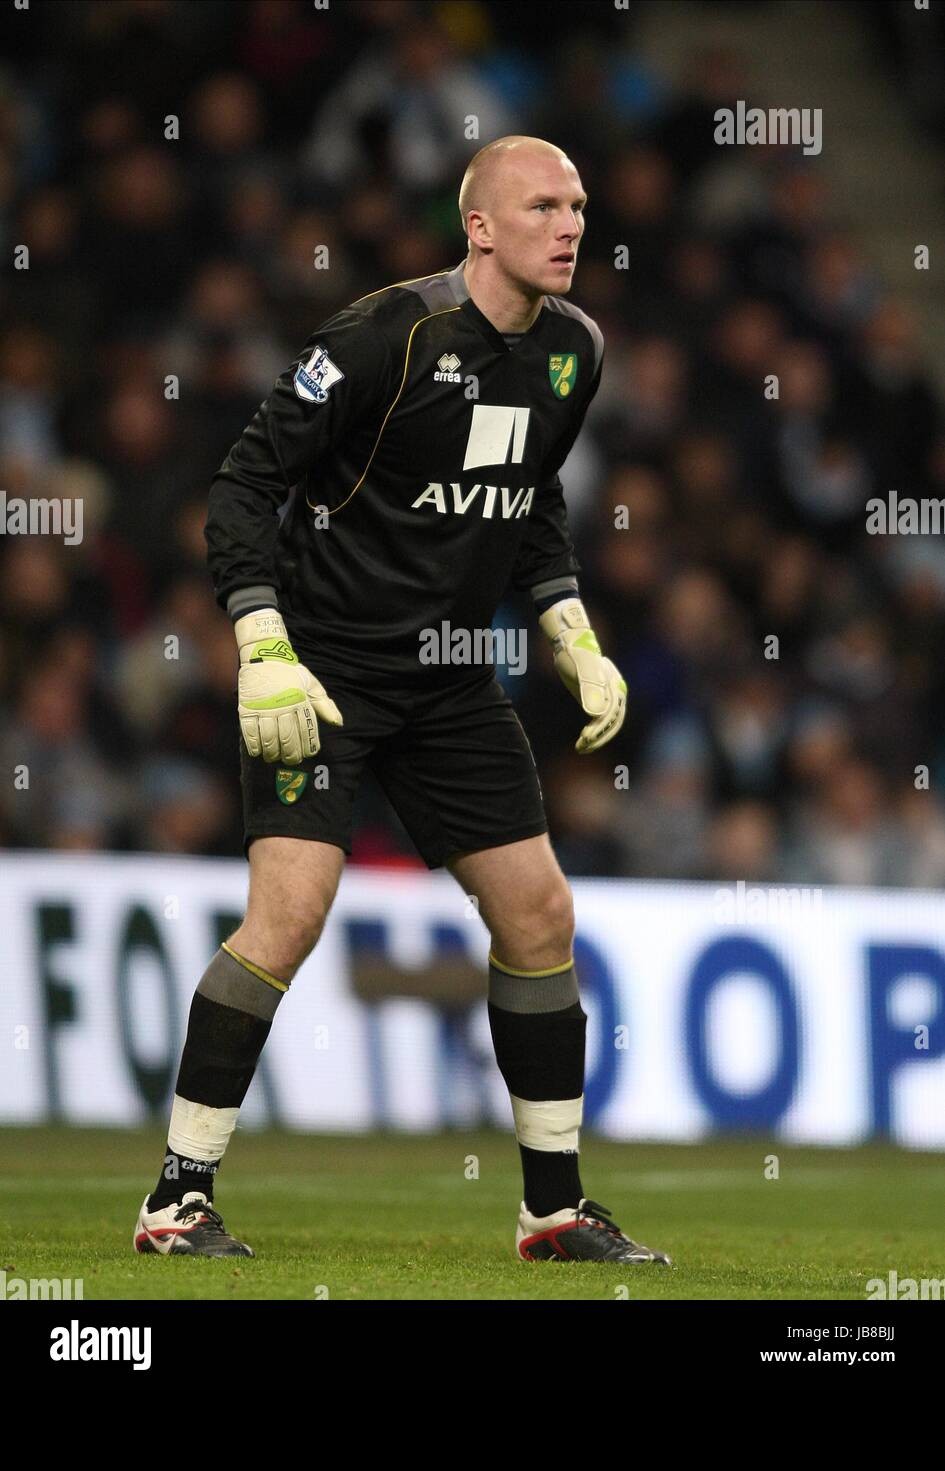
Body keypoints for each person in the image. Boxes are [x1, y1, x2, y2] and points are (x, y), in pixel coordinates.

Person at [133, 135, 671, 1266]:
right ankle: (176, 1201)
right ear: (479, 226)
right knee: (288, 915)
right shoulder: (384, 336)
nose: (572, 224)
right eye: (543, 205)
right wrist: (261, 640)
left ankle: (553, 1211)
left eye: (579, 203)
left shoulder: (574, 352)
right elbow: (244, 483)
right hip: (325, 669)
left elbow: (531, 502)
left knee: (540, 913)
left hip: (452, 676)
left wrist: (569, 626)